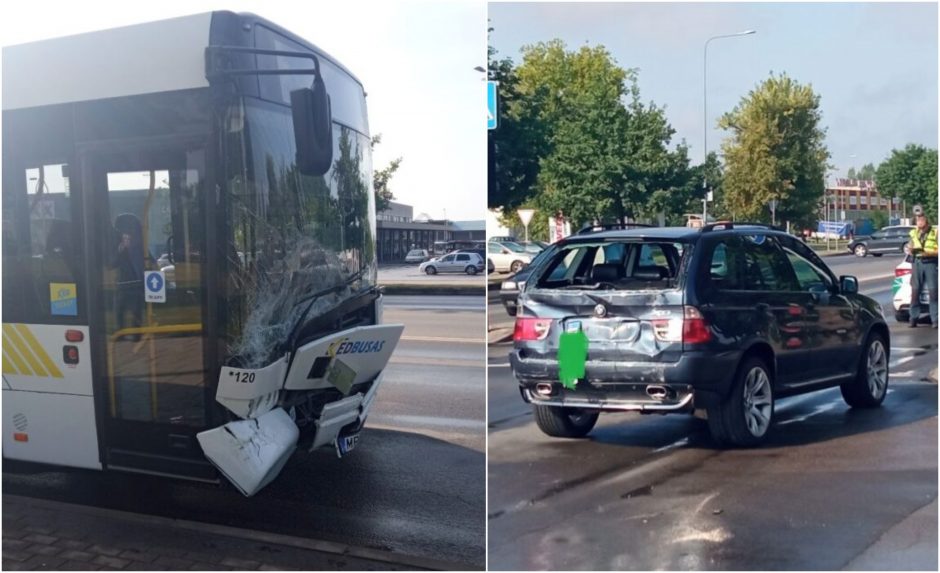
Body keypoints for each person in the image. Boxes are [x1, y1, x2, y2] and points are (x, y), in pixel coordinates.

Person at [907, 205, 938, 328]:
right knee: (915, 292)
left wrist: (929, 253)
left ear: (926, 221)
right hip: (917, 263)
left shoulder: (935, 232)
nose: (919, 222)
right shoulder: (914, 233)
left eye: (921, 220)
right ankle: (913, 318)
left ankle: (935, 319)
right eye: (917, 220)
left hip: (930, 263)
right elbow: (910, 246)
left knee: (933, 292)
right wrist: (910, 250)